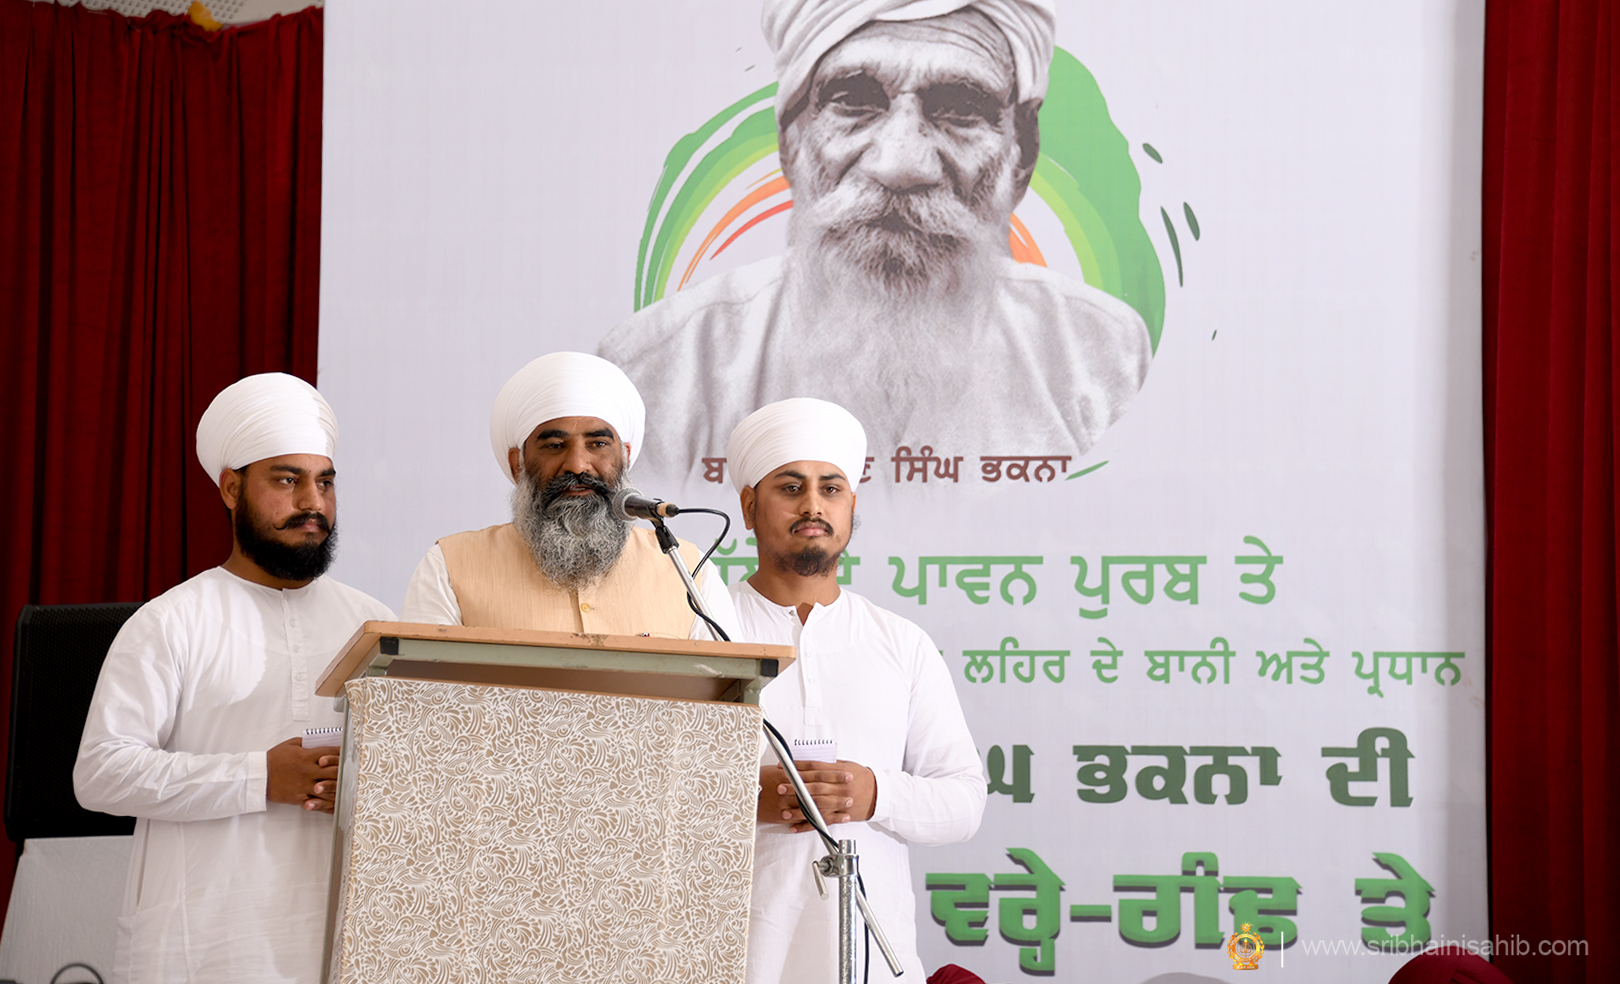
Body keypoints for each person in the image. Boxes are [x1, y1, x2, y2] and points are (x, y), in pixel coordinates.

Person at [599, 0, 1152, 485]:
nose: (901, 164)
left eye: (960, 108)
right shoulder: (658, 375)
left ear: (1023, 153)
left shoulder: (1103, 357)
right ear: (791, 143)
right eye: (854, 99)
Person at [74, 373, 395, 984]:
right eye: (287, 480)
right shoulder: (170, 622)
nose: (313, 503)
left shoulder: (373, 625)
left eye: (325, 482)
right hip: (203, 944)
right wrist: (260, 776)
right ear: (230, 487)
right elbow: (102, 774)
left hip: (341, 942)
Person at [725, 397, 985, 983]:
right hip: (735, 960)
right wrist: (740, 799)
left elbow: (965, 802)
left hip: (873, 961)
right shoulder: (702, 629)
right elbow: (640, 794)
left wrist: (875, 794)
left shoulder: (901, 642)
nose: (813, 505)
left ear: (851, 506)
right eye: (790, 487)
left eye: (831, 488)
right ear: (748, 506)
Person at [401, 351, 735, 637]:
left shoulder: (688, 571)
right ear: (518, 464)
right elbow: (422, 690)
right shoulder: (450, 568)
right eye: (555, 445)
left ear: (625, 456)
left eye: (598, 444)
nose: (577, 465)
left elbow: (731, 688)